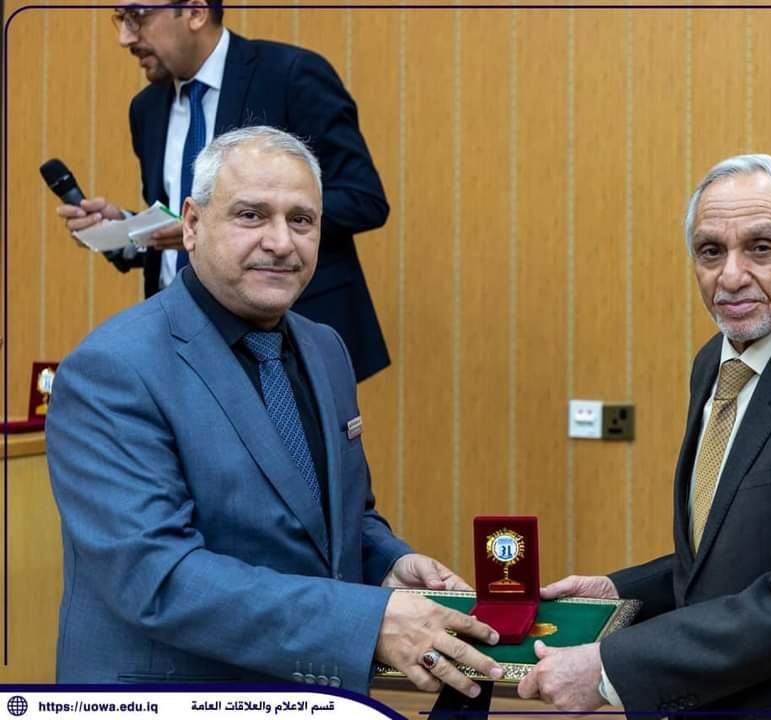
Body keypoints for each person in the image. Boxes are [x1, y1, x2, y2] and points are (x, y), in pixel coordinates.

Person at [46, 127, 503, 696]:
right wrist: (367, 622)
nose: (282, 243)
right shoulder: (112, 369)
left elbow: (336, 516)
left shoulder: (325, 349)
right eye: (251, 215)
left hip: (306, 695)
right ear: (192, 224)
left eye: (302, 220)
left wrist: (384, 562)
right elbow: (158, 577)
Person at [519, 154, 771, 714]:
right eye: (711, 251)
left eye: (761, 248)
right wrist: (621, 594)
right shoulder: (715, 361)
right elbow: (732, 559)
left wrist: (613, 669)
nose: (731, 276)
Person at [57, 0, 389, 382]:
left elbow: (363, 198)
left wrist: (244, 223)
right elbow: (183, 221)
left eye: (136, 17)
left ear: (196, 12)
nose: (125, 37)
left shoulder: (291, 76)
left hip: (287, 336)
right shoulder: (146, 108)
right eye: (121, 19)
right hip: (182, 340)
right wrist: (127, 230)